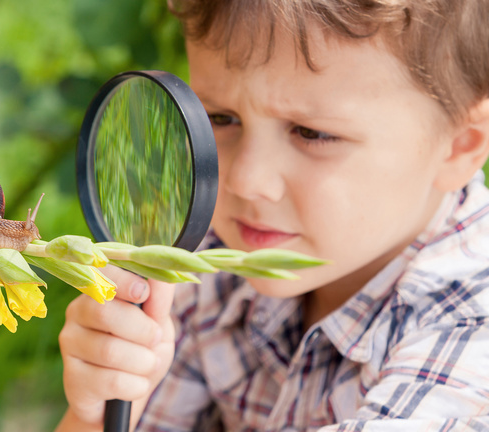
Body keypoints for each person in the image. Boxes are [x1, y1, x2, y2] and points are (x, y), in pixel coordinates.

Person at [56, 0, 489, 431]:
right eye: (220, 118)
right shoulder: (214, 266)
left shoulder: (469, 342)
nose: (246, 180)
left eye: (312, 133)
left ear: (459, 146)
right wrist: (96, 415)